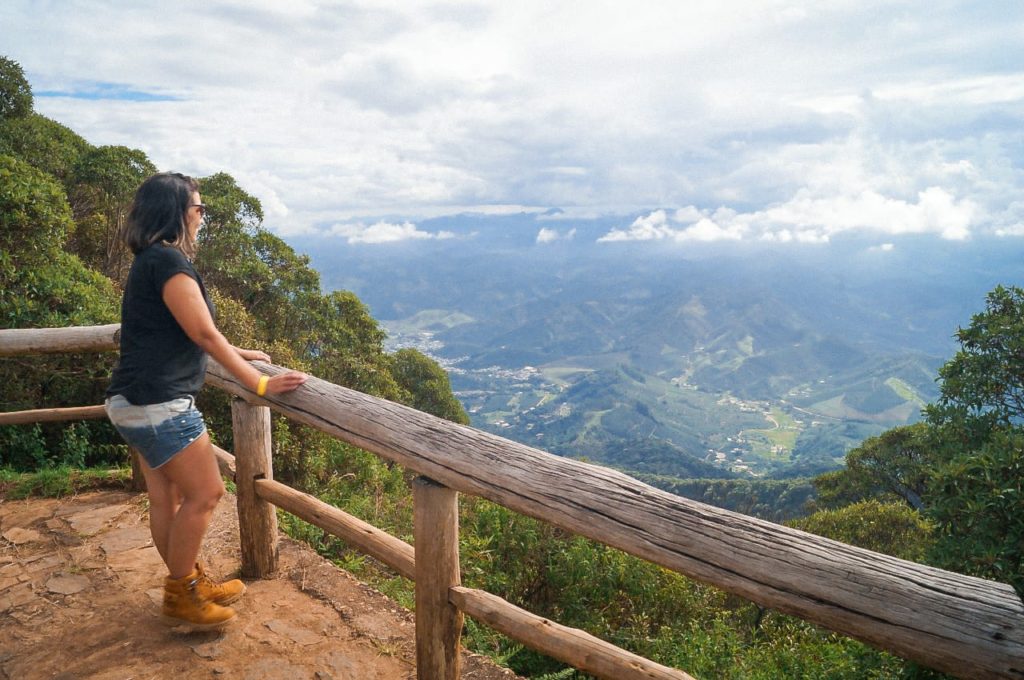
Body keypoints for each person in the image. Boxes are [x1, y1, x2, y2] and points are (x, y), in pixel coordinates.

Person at [104, 172, 308, 630]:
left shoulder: (148, 261)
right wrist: (259, 383)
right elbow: (201, 332)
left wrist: (238, 353)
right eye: (198, 208)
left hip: (130, 401)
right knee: (208, 493)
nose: (201, 216)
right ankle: (183, 598)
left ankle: (189, 584)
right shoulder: (170, 263)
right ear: (177, 212)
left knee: (167, 498)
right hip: (161, 406)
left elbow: (184, 330)